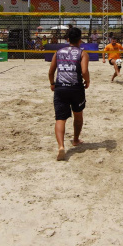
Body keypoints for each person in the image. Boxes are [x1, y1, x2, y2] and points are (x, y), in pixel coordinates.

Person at [49, 27, 90, 161]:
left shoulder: (59, 52)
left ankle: (61, 146)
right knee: (78, 115)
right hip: (76, 87)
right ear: (80, 39)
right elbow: (84, 71)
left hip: (60, 88)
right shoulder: (82, 53)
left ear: (68, 39)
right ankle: (76, 139)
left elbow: (51, 72)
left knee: (60, 118)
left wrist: (52, 83)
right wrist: (87, 81)